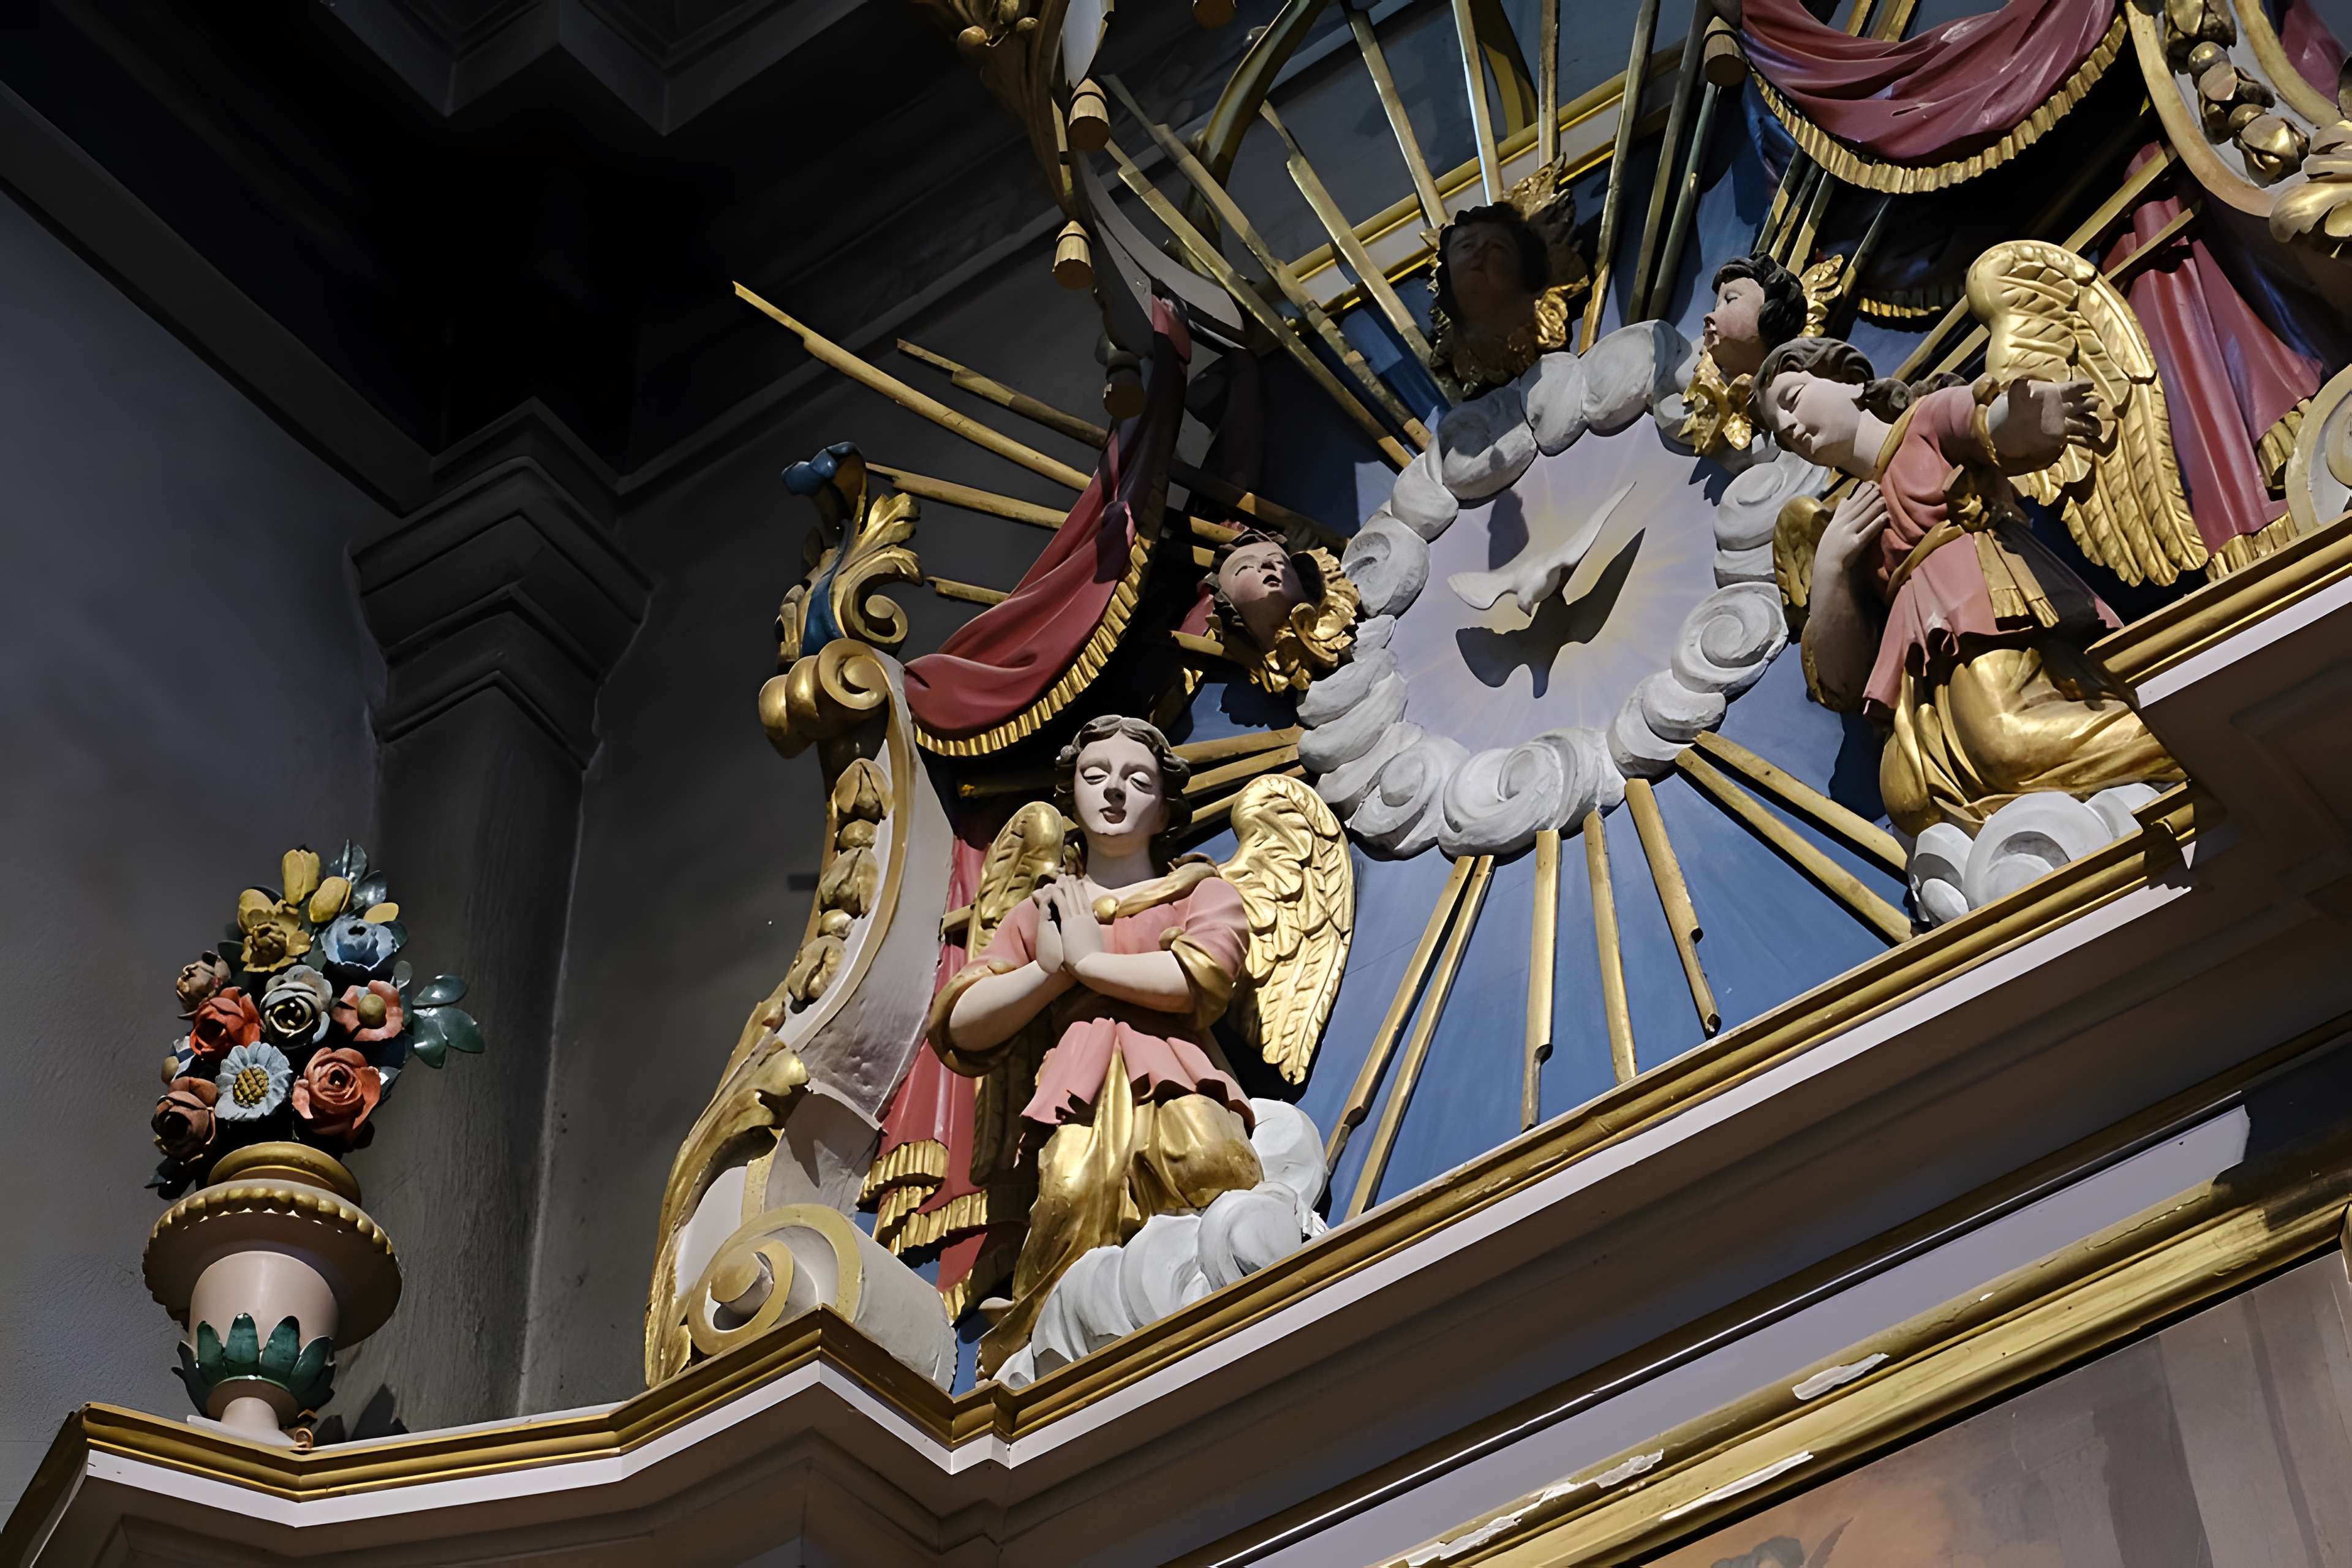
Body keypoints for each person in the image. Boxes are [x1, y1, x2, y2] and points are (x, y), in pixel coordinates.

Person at [931, 715, 1262, 1376]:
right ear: (1072, 794)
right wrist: (1048, 973)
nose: (1114, 792)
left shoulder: (1199, 891)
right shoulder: (1044, 909)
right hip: (1077, 1082)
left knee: (1210, 1163)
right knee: (1067, 1193)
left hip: (1174, 1065)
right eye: (1095, 776)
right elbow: (963, 1024)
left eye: (1136, 780)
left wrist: (1086, 964)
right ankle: (1051, 1346)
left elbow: (1200, 977)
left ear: (1165, 805)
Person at [1751, 336, 2180, 836]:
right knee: (1907, 797)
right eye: (1780, 432)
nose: (1789, 427)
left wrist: (2019, 419)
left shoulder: (1924, 423)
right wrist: (1830, 570)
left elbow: (1983, 421)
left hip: (1985, 615)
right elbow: (1840, 681)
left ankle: (2180, 739)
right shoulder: (1843, 523)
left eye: (1793, 400)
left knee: (2004, 740)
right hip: (1929, 677)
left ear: (1849, 381)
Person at [1430, 202, 1574, 398]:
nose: (1479, 252)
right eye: (1467, 246)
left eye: (1496, 246)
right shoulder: (1460, 358)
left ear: (1524, 266)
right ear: (1447, 277)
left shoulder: (1547, 324)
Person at [1681, 253, 1807, 455]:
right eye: (1717, 305)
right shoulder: (1692, 368)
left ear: (1771, 314)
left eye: (1730, 300)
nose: (1709, 315)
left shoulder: (1790, 407)